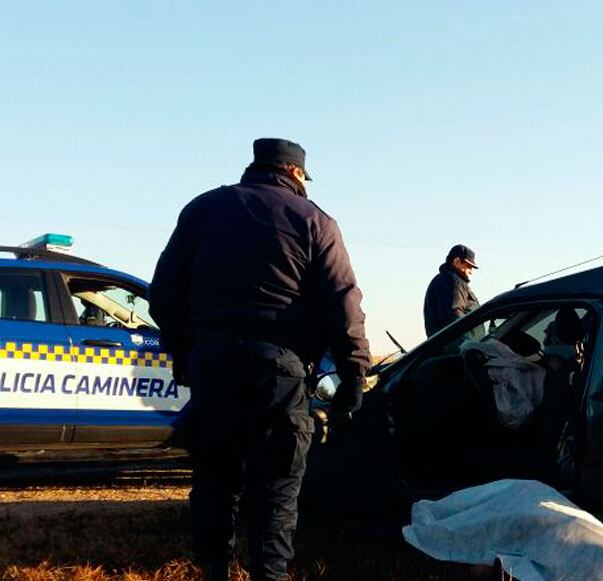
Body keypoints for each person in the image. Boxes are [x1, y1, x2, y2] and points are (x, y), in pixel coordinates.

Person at [149, 138, 370, 581]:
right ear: (294, 173)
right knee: (276, 490)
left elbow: (163, 295)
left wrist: (184, 351)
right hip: (279, 375)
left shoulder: (202, 210)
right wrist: (353, 376)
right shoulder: (314, 221)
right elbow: (344, 306)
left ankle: (214, 570)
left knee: (215, 480)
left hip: (212, 367)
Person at [423, 244, 482, 337]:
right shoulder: (454, 282)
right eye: (469, 266)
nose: (471, 271)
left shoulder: (447, 280)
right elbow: (454, 317)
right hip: (459, 348)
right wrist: (470, 344)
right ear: (457, 261)